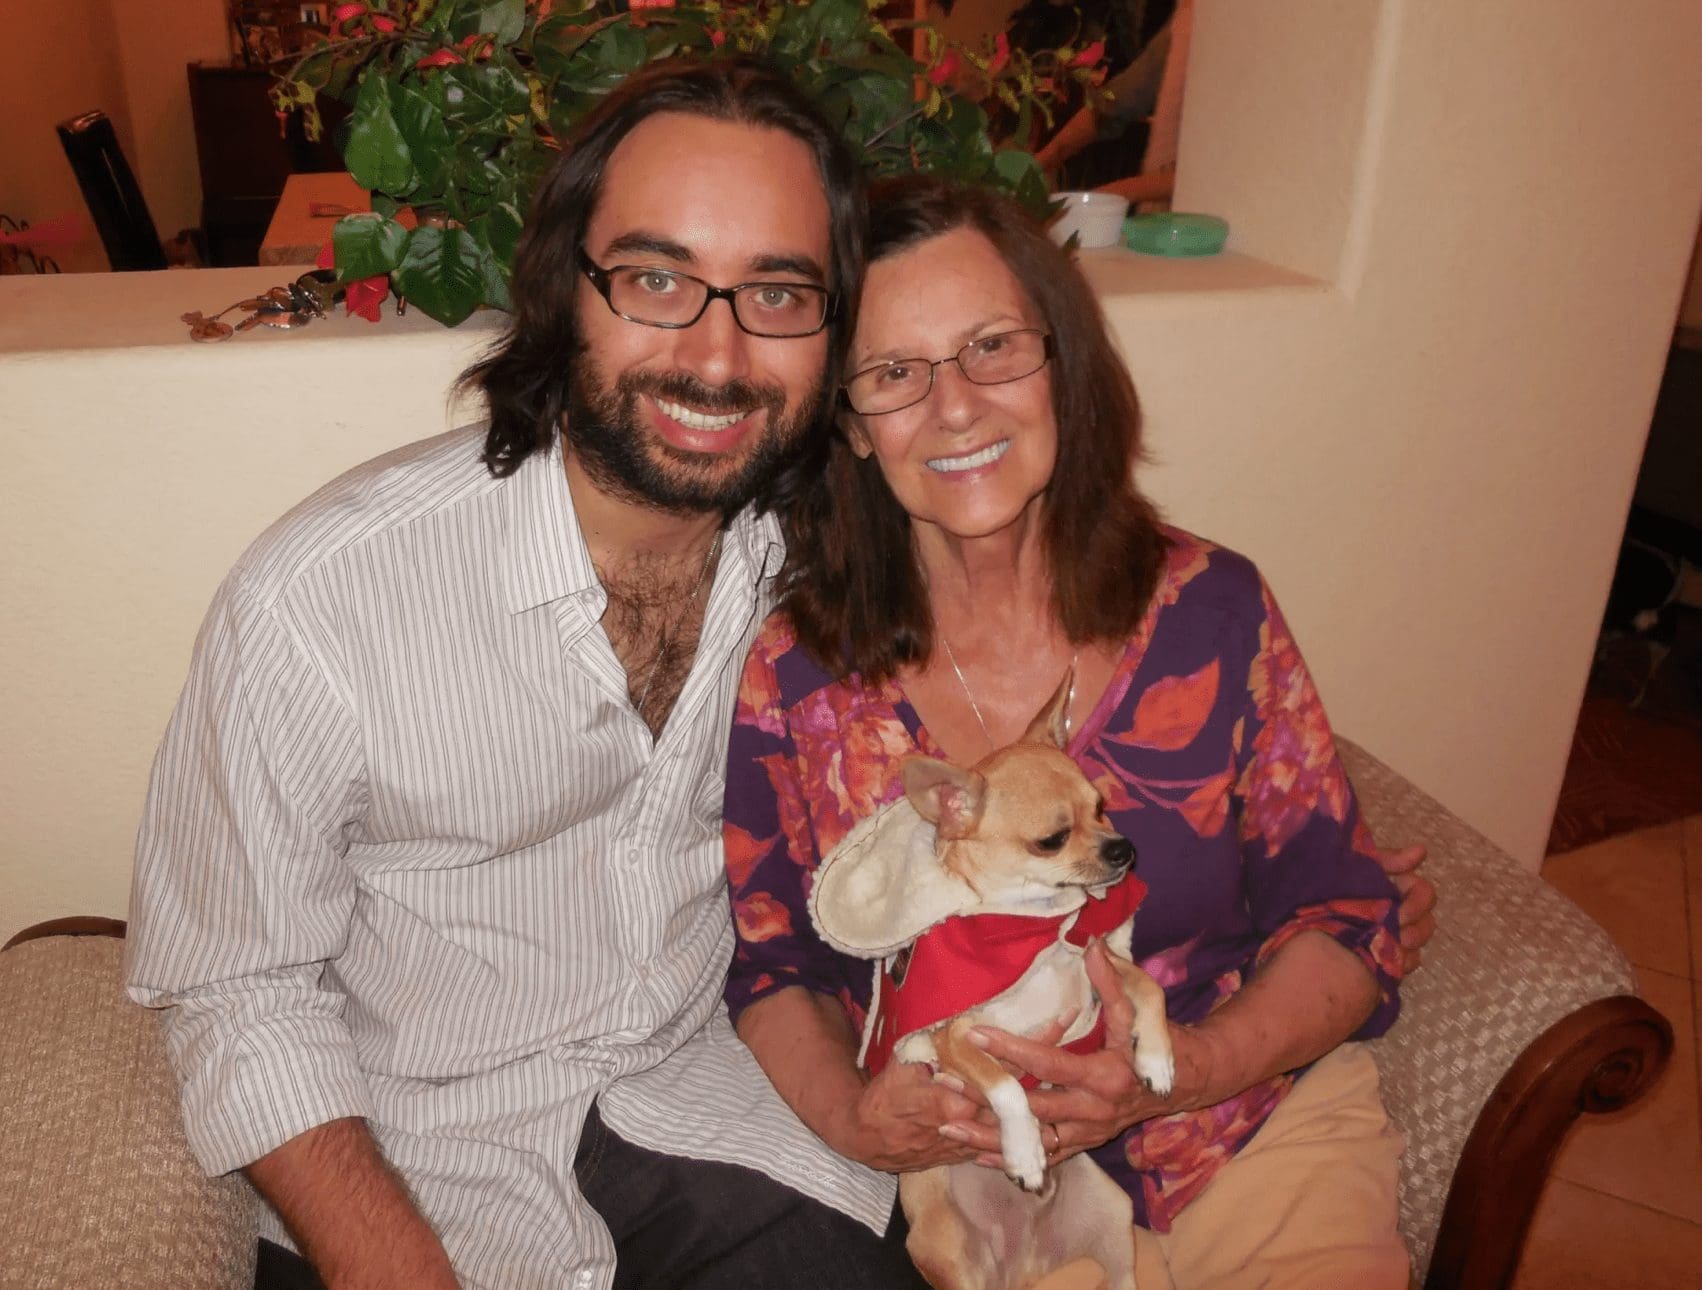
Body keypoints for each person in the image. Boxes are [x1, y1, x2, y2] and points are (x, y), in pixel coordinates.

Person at [124, 58, 919, 1290]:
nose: (716, 358)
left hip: (715, 1111)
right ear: (561, 286)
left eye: (776, 293)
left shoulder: (823, 557)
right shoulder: (324, 599)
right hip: (413, 1169)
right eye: (655, 279)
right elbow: (233, 986)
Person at [722, 173, 1420, 1288]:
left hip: (1243, 1127)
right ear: (848, 422)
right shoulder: (799, 675)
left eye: (993, 347)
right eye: (895, 373)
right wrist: (857, 1121)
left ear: (1062, 365)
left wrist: (1189, 1066)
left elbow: (1345, 913)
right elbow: (771, 962)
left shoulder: (1213, 612)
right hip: (977, 1186)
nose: (956, 408)